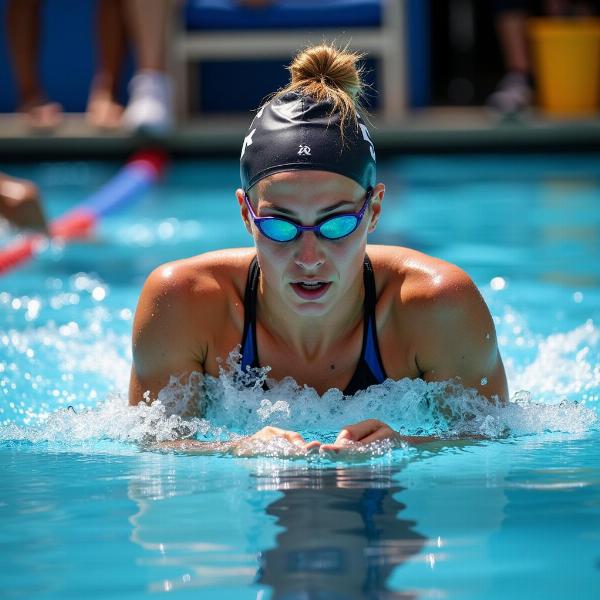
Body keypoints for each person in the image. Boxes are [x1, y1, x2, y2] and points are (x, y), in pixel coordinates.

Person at [129, 44, 509, 453]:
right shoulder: (184, 303)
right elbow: (153, 455)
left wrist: (406, 448)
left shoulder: (436, 306)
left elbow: (491, 449)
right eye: (279, 225)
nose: (309, 257)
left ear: (374, 210)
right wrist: (233, 450)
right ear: (246, 214)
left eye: (338, 223)